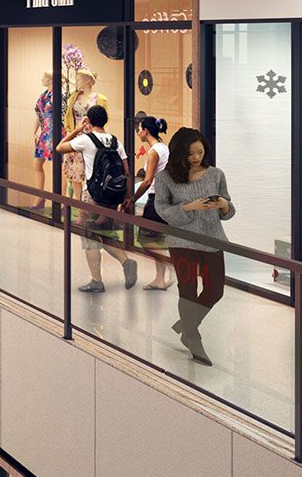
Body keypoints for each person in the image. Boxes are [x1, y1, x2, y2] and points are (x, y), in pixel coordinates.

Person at [154, 128, 234, 366]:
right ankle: (192, 337)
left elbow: (229, 211)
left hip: (212, 239)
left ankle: (187, 324)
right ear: (180, 153)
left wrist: (223, 204)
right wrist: (190, 207)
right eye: (191, 153)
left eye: (200, 152)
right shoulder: (165, 178)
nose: (197, 157)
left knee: (215, 290)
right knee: (187, 290)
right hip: (182, 242)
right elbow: (162, 210)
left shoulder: (216, 175)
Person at [57, 105, 138, 293]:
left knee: (90, 237)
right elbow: (126, 172)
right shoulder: (116, 142)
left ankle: (96, 281)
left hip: (92, 196)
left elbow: (59, 147)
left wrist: (76, 130)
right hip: (113, 196)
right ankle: (127, 262)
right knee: (105, 234)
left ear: (89, 121)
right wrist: (127, 198)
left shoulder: (85, 140)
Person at [130, 116, 175, 290]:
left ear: (146, 131)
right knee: (157, 240)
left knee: (145, 239)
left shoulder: (153, 152)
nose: (138, 132)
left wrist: (133, 199)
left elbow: (148, 180)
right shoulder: (164, 148)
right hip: (166, 198)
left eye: (140, 128)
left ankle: (170, 265)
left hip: (156, 198)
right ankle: (159, 279)